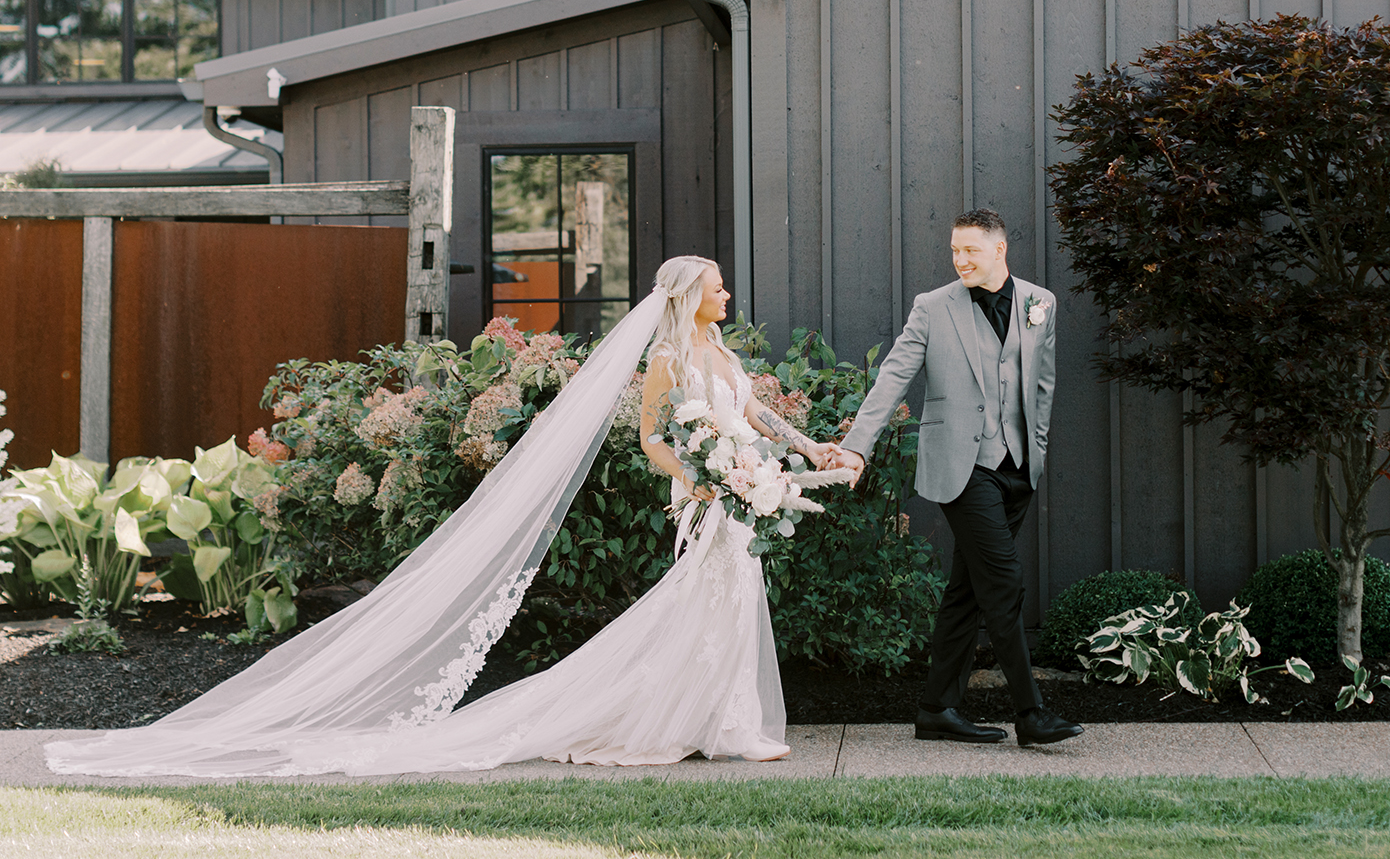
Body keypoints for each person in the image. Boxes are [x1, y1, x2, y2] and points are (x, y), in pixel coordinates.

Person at [47, 255, 834, 778]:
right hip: (704, 498)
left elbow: (759, 416)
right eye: (718, 287)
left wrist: (810, 450)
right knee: (707, 600)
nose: (727, 295)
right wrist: (698, 477)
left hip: (741, 487)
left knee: (729, 602)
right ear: (691, 296)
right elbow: (651, 440)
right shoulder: (667, 359)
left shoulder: (721, 355)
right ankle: (703, 722)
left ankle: (715, 718)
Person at [828, 209, 1083, 749]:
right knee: (1004, 584)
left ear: (999, 249)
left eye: (970, 250)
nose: (960, 260)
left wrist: (1034, 452)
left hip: (1017, 471)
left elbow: (1043, 386)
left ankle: (937, 709)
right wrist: (856, 448)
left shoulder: (1041, 303)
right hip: (962, 470)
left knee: (967, 593)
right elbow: (894, 376)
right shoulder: (933, 306)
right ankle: (1031, 713)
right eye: (954, 251)